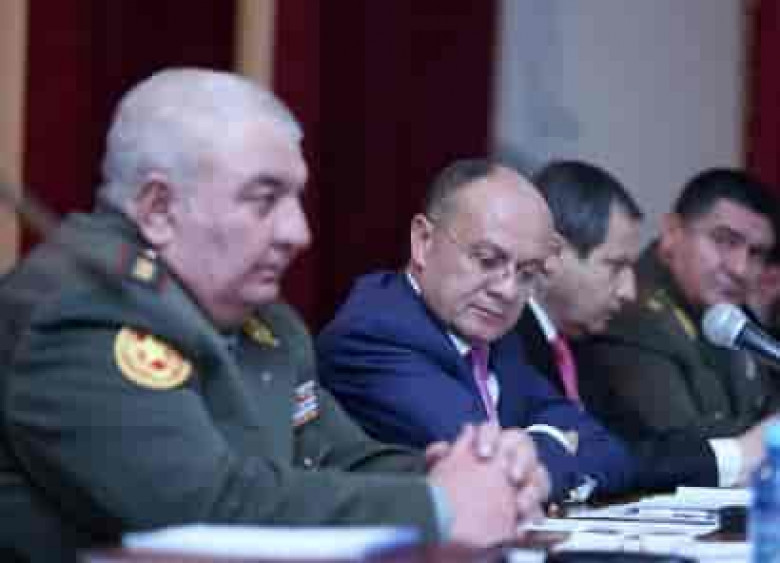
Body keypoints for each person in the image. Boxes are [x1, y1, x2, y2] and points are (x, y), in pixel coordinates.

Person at [0, 69, 549, 562]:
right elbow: (197, 505)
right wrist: (437, 504)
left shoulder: (263, 322)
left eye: (296, 199)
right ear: (159, 208)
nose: (298, 232)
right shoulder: (85, 309)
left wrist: (473, 475)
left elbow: (341, 459)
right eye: (264, 200)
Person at [316, 158, 638, 503]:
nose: (508, 291)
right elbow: (485, 465)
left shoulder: (497, 339)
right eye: (487, 260)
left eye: (527, 273)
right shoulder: (373, 335)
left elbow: (610, 452)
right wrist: (553, 444)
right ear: (423, 241)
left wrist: (541, 465)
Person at [519, 159, 769, 489]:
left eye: (758, 253)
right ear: (553, 256)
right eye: (615, 266)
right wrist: (739, 453)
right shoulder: (510, 340)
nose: (629, 290)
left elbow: (624, 447)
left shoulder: (575, 341)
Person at [576, 168, 780, 448]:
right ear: (672, 232)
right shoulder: (627, 309)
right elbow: (680, 443)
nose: (740, 269)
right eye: (725, 241)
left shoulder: (734, 317)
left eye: (756, 253)